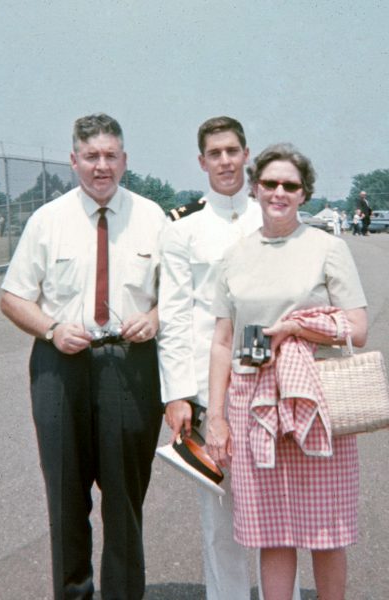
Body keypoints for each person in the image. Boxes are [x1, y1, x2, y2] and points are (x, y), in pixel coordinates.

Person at [0, 113, 166, 600]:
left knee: (124, 499)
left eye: (111, 156)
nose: (101, 167)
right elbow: (12, 297)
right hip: (61, 366)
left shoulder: (153, 218)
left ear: (125, 160)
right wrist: (51, 328)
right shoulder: (46, 221)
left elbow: (177, 296)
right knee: (66, 500)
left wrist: (153, 319)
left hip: (129, 366)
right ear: (73, 161)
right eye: (91, 156)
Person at [206, 143, 367, 600]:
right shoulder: (234, 257)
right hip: (252, 399)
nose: (279, 192)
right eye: (270, 183)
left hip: (314, 398)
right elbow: (221, 342)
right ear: (255, 189)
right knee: (272, 530)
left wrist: (295, 328)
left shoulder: (327, 248)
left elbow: (357, 327)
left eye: (290, 185)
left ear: (304, 194)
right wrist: (215, 417)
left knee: (326, 528)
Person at [158, 117, 301, 600]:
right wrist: (178, 394)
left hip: (276, 385)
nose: (225, 161)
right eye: (214, 153)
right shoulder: (184, 230)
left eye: (233, 151)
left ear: (247, 155)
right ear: (202, 162)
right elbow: (175, 317)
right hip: (211, 388)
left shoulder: (277, 217)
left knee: (282, 516)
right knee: (220, 520)